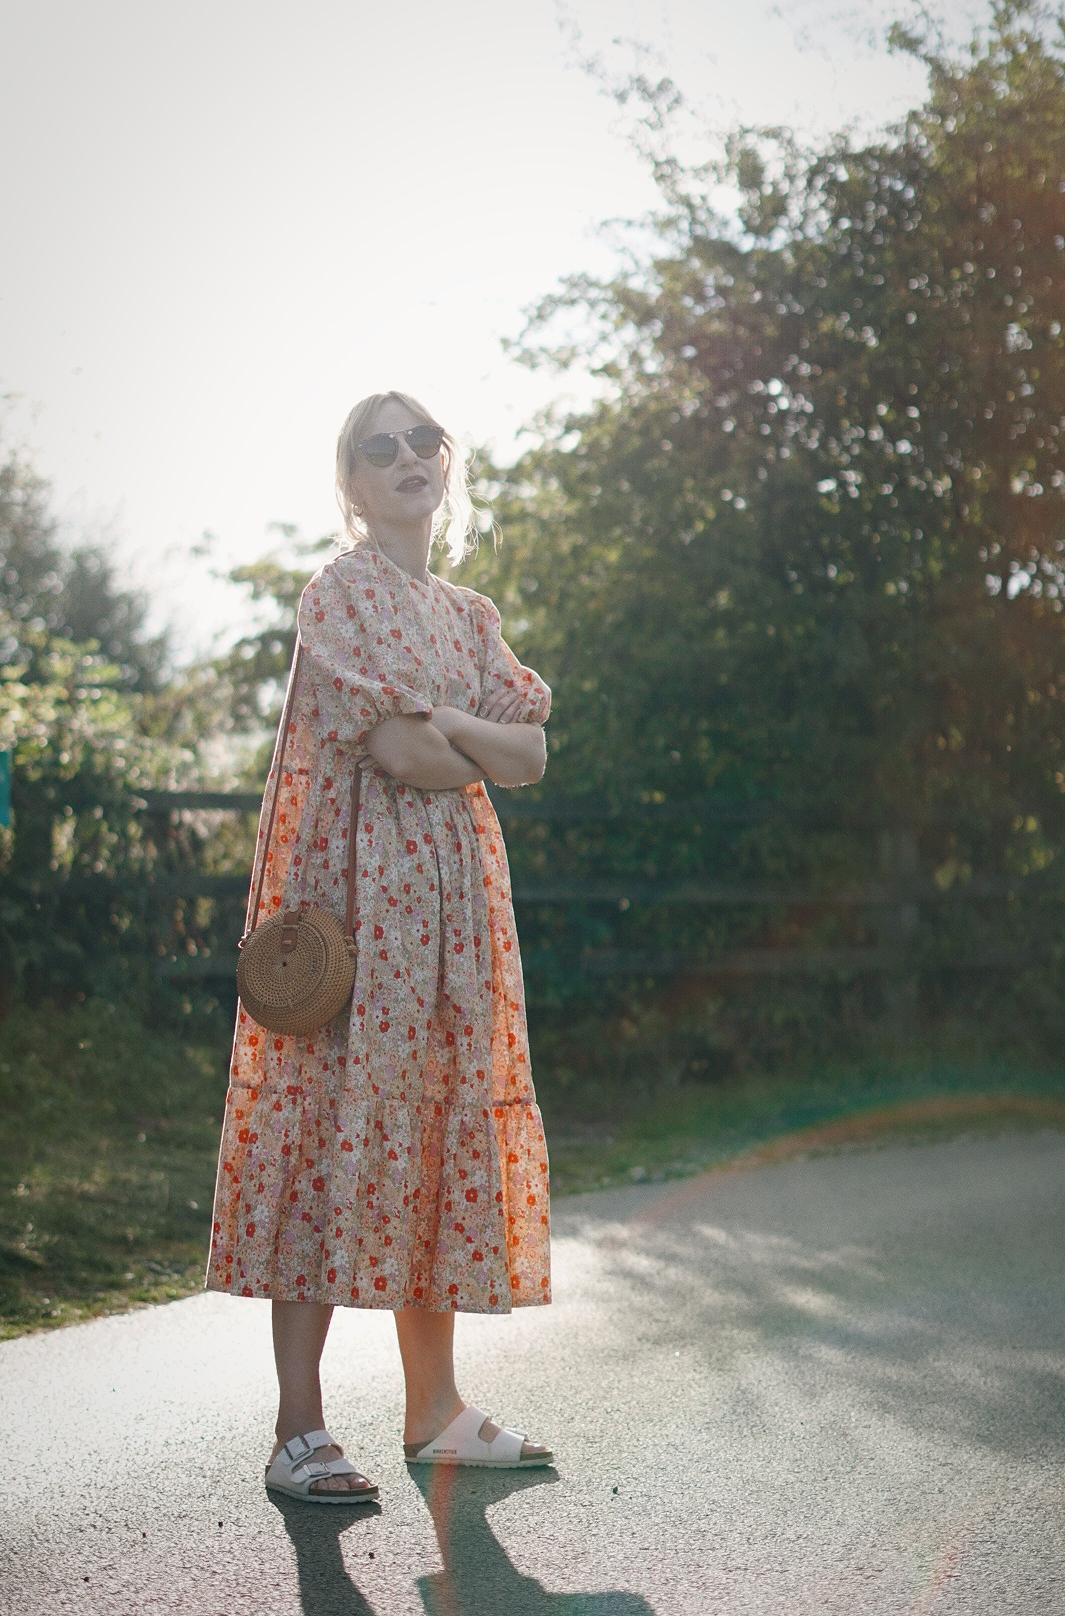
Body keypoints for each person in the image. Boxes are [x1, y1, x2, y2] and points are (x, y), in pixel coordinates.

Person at [207, 391, 553, 1501]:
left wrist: (458, 727)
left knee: (440, 1135)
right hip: (356, 914)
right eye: (377, 447)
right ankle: (298, 1429)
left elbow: (532, 753)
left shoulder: (468, 612)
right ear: (350, 485)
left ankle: (434, 1409)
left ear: (447, 462)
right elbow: (412, 758)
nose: (405, 457)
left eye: (422, 439)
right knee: (319, 1138)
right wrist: (464, 734)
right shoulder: (340, 593)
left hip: (454, 919)